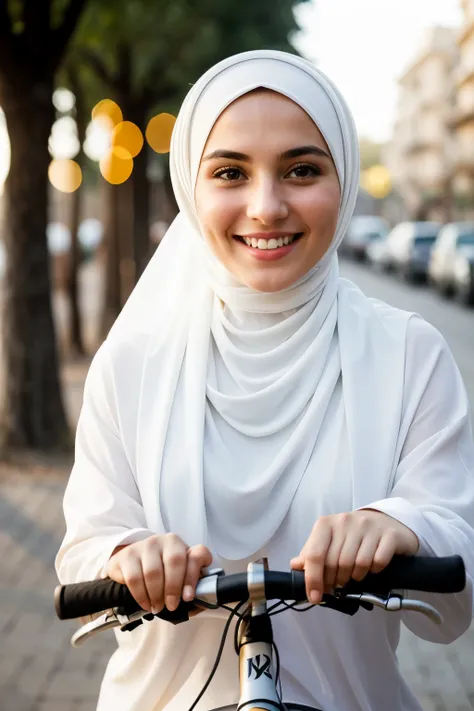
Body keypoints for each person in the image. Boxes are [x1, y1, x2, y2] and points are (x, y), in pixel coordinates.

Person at [55, 50, 474, 711]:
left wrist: (399, 524)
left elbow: (459, 564)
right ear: (192, 189)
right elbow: (83, 552)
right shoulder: (131, 363)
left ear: (346, 178)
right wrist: (126, 553)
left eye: (302, 169)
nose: (266, 206)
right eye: (229, 172)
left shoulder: (409, 355)